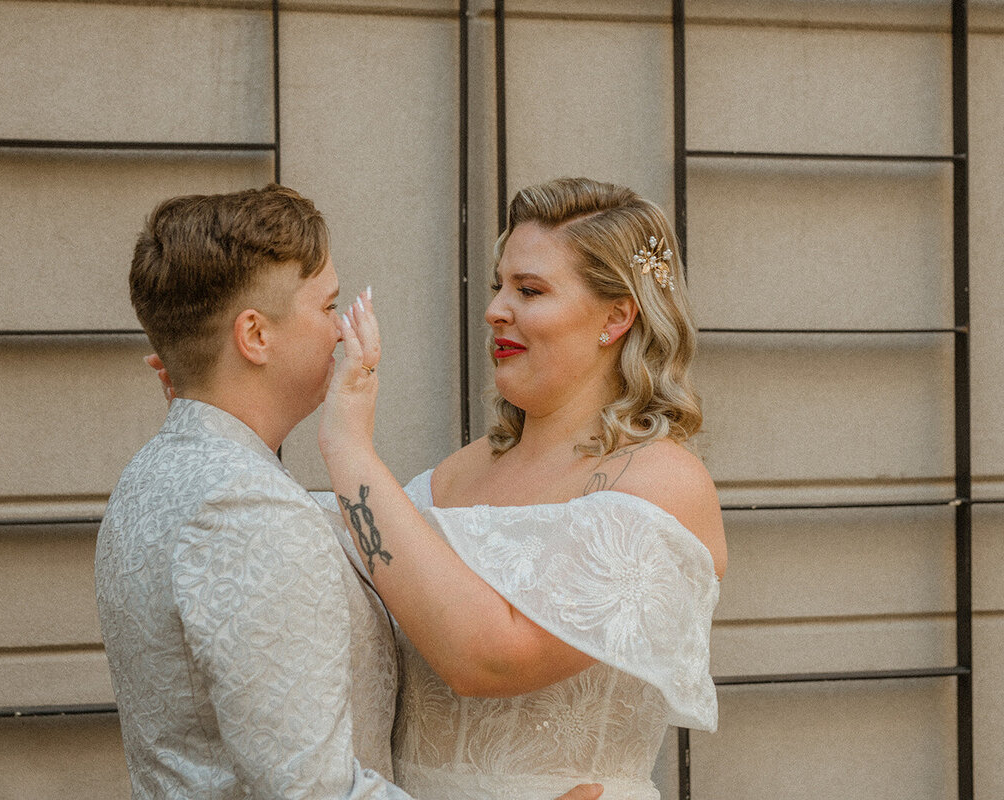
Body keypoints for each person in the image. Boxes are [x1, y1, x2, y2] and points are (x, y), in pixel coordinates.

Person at [95, 183, 604, 800]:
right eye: (326, 305)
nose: (341, 331)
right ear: (254, 336)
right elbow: (311, 790)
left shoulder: (154, 475)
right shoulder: (244, 509)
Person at [319, 176, 726, 800]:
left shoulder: (660, 481)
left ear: (617, 316)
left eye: (529, 290)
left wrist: (348, 445)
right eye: (498, 286)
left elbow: (491, 659)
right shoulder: (453, 476)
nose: (495, 310)